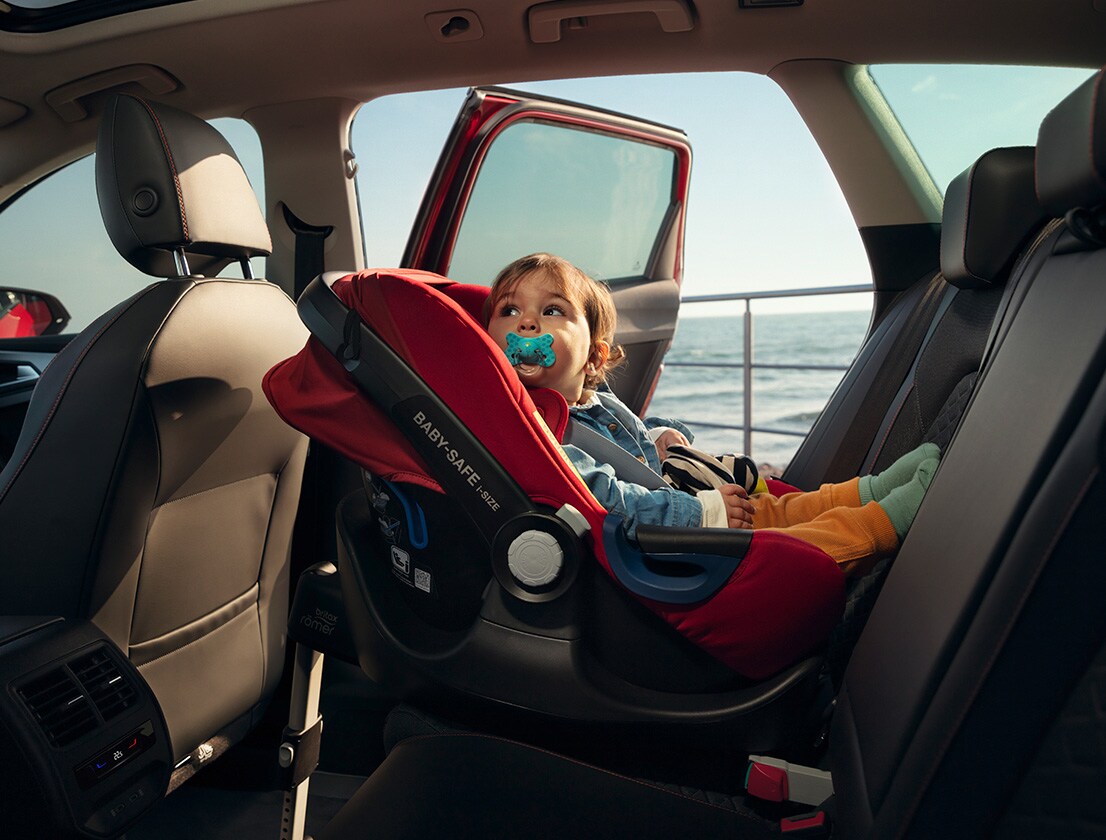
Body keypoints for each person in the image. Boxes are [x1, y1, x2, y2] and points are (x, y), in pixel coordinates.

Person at [483, 253, 937, 575]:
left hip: (671, 507)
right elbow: (600, 495)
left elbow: (631, 439)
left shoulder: (592, 405)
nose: (526, 322)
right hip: (658, 546)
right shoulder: (531, 425)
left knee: (775, 509)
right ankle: (883, 524)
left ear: (595, 359)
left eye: (551, 310)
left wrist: (662, 435)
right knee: (781, 548)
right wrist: (697, 514)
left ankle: (870, 490)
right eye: (509, 309)